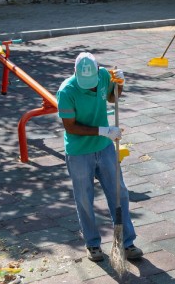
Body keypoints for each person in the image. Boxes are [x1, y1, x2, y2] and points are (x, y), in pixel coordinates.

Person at [56, 52, 143, 262]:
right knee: (84, 198)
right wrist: (103, 131)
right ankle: (92, 244)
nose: (90, 85)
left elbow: (113, 97)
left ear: (97, 71)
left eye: (93, 80)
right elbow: (70, 126)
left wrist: (119, 83)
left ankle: (126, 241)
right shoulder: (66, 91)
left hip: (104, 148)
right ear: (75, 73)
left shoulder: (104, 75)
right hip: (79, 152)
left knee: (119, 193)